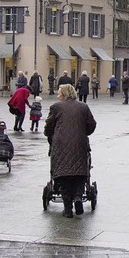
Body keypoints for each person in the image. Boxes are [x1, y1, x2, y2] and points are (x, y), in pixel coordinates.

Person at [44, 84, 97, 218]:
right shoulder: (83, 107)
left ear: (64, 94)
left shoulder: (56, 107)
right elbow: (92, 124)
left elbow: (49, 126)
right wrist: (83, 132)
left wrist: (50, 135)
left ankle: (68, 209)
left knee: (63, 175)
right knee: (79, 172)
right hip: (79, 143)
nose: (57, 95)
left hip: (61, 144)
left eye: (59, 93)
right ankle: (78, 197)